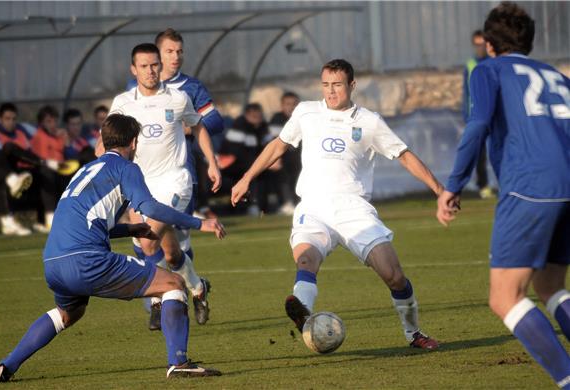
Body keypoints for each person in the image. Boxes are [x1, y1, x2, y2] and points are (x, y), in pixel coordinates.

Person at [0, 114, 225, 383]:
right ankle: (179, 362)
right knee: (172, 283)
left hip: (54, 262)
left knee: (68, 314)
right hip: (87, 261)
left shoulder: (86, 170)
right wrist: (199, 223)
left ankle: (5, 366)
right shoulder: (126, 168)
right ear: (134, 142)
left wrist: (128, 229)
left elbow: (84, 219)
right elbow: (149, 208)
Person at [231, 59, 442, 350]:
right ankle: (302, 314)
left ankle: (414, 333)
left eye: (337, 85)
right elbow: (278, 145)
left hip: (353, 209)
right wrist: (246, 178)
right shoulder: (306, 112)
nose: (331, 92)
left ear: (351, 86)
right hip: (314, 207)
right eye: (326, 85)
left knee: (394, 276)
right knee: (305, 259)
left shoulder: (369, 121)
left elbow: (403, 155)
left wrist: (439, 190)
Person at [437, 2, 570, 388]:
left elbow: (477, 125)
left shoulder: (488, 69)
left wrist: (453, 185)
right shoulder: (556, 74)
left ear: (489, 45)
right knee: (550, 285)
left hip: (531, 186)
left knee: (505, 297)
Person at [101, 43, 221, 330]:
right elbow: (106, 139)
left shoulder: (178, 98)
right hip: (139, 184)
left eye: (155, 64)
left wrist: (211, 162)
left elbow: (200, 126)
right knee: (170, 253)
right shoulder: (123, 103)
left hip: (174, 181)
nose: (151, 70)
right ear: (134, 70)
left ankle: (156, 302)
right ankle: (198, 287)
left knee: (147, 239)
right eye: (144, 66)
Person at [0, 103, 34, 235]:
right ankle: (12, 179)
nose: (11, 122)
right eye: (7, 118)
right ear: (0, 119)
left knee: (0, 177)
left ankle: (8, 222)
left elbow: (37, 133)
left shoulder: (21, 132)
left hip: (2, 175)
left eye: (13, 119)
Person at [462, 30, 495, 199]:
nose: (480, 48)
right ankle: (483, 186)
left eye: (482, 44)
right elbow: (465, 93)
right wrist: (465, 115)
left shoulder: (494, 62)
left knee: (499, 149)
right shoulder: (470, 64)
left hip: (495, 114)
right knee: (479, 154)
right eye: (477, 44)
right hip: (476, 116)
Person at [30, 105, 69, 233]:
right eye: (48, 121)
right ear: (41, 123)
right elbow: (42, 160)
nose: (52, 124)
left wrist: (66, 140)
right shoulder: (39, 136)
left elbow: (66, 154)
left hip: (60, 170)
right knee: (48, 175)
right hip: (42, 173)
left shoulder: (59, 136)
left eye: (54, 121)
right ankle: (50, 218)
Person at [269, 91, 301, 215]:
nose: (291, 107)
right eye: (288, 104)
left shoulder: (302, 119)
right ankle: (286, 203)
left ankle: (298, 202)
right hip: (282, 157)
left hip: (299, 157)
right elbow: (274, 142)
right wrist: (275, 158)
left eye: (294, 104)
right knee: (282, 166)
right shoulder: (277, 119)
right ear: (282, 106)